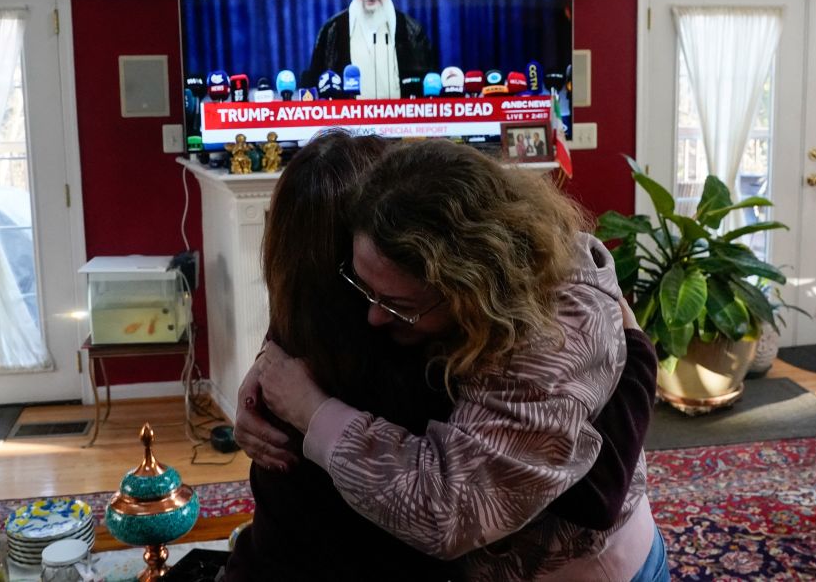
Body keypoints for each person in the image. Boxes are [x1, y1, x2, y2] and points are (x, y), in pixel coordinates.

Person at [227, 131, 661, 581]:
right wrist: (267, 366)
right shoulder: (436, 285)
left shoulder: (544, 341)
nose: (375, 317)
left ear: (465, 283)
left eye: (399, 304)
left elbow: (446, 511)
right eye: (360, 289)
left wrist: (310, 410)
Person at [302, 0, 436, 99]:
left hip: (401, 123)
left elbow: (429, 89)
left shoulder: (412, 30)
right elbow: (314, 88)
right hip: (347, 123)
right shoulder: (332, 31)